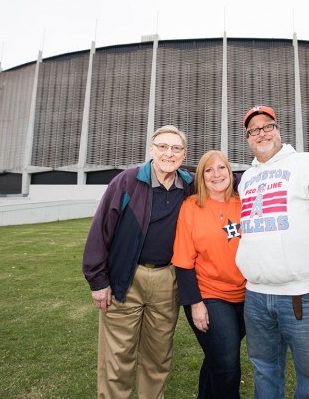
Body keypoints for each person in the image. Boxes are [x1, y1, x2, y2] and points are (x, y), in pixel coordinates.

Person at [235, 105, 309, 399]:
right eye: (254, 130)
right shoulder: (247, 179)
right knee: (264, 369)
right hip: (256, 296)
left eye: (267, 126)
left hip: (303, 296)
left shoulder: (306, 163)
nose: (261, 133)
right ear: (248, 138)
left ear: (278, 130)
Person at [82, 125, 194, 399]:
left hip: (168, 280)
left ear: (184, 154)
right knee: (117, 358)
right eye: (163, 147)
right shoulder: (127, 181)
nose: (170, 153)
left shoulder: (190, 185)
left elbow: (223, 179)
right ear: (151, 150)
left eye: (176, 148)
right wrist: (98, 281)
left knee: (158, 357)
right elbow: (100, 231)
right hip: (126, 278)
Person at [171, 150, 246, 399]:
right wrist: (196, 304)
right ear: (201, 177)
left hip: (248, 296)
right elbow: (182, 261)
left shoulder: (244, 203)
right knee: (227, 364)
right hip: (209, 295)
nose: (216, 174)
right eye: (209, 170)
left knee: (217, 358)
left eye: (221, 168)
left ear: (230, 172)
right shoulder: (191, 207)